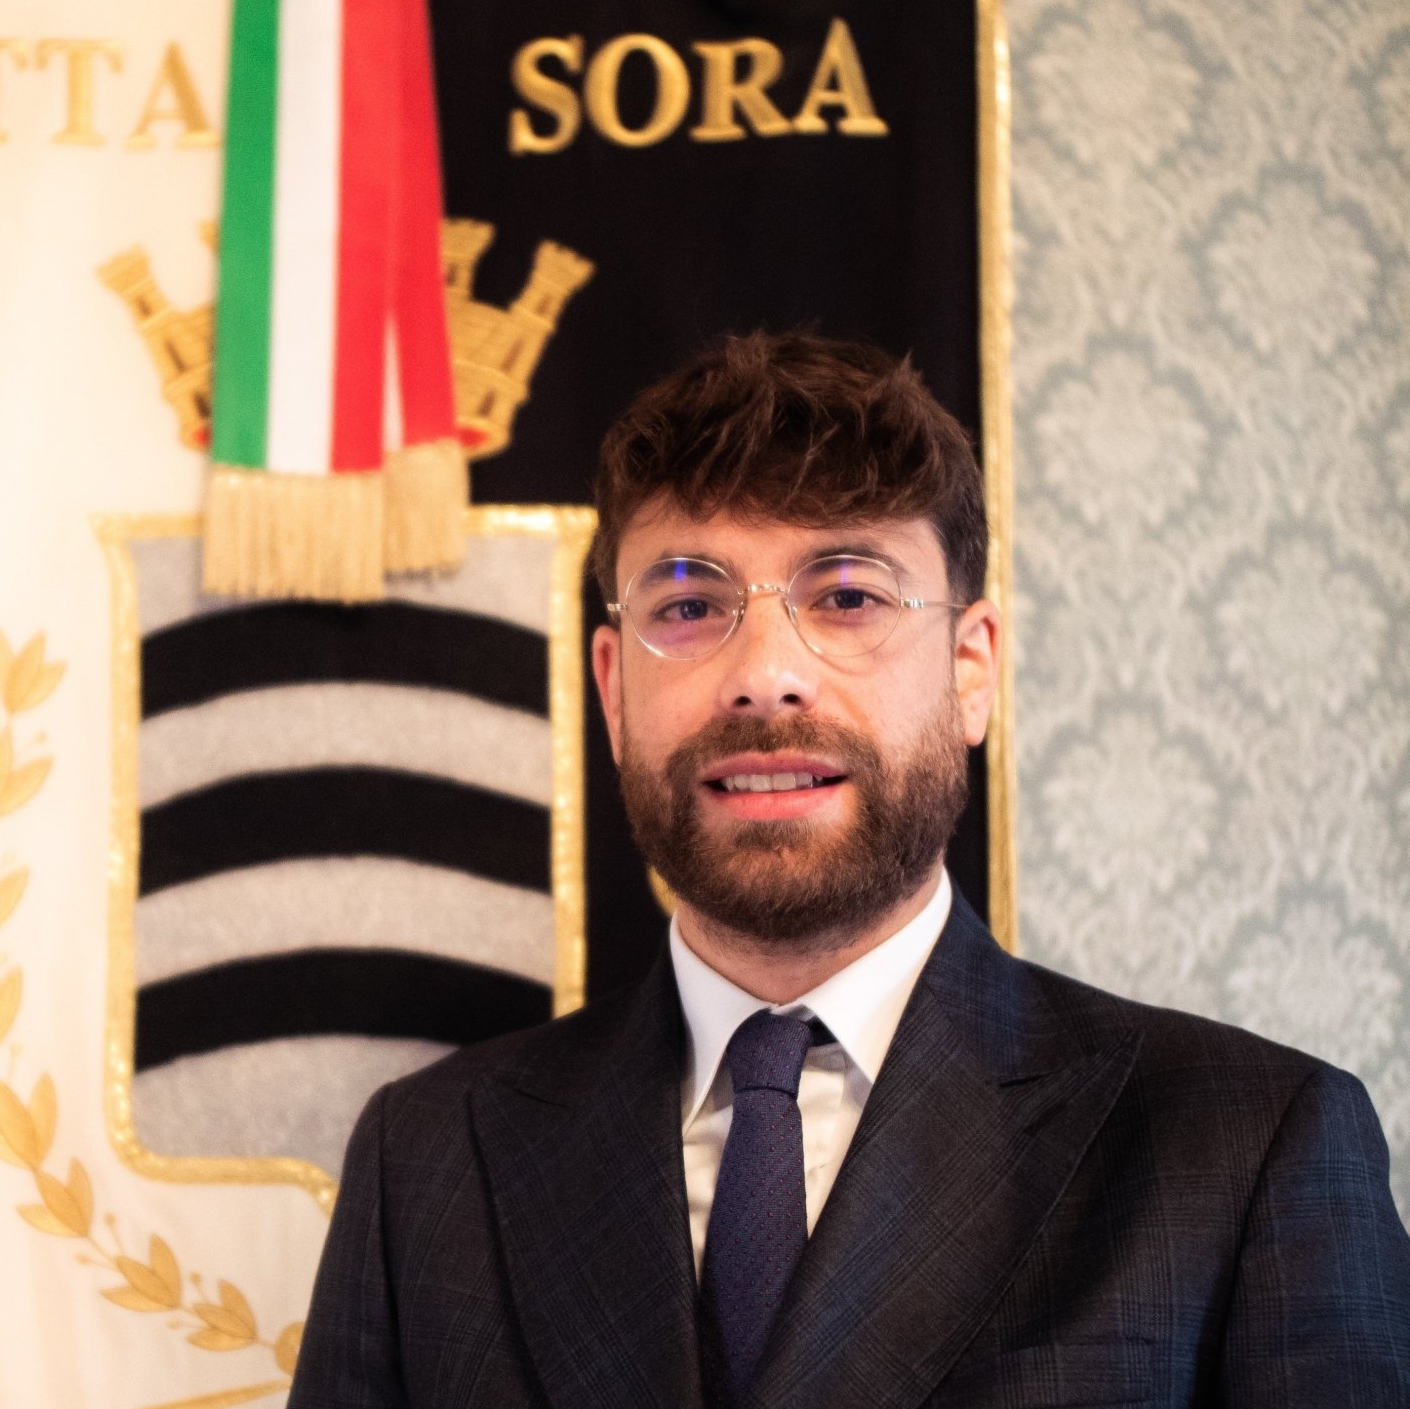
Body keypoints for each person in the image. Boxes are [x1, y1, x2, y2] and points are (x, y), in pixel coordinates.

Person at [288, 332, 1410, 1408]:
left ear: (971, 671)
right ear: (614, 687)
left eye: (848, 597)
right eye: (689, 604)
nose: (766, 674)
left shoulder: (1248, 1143)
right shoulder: (425, 1161)